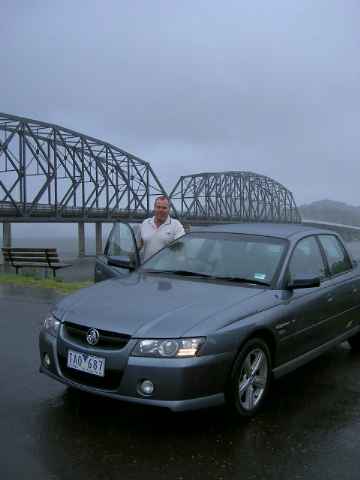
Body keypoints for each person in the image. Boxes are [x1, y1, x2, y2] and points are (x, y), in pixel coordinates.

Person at [140, 196, 185, 261]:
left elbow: (180, 249)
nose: (161, 210)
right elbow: (139, 244)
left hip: (165, 269)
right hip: (146, 268)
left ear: (169, 209)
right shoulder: (145, 223)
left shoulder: (176, 225)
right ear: (154, 208)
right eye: (158, 207)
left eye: (164, 208)